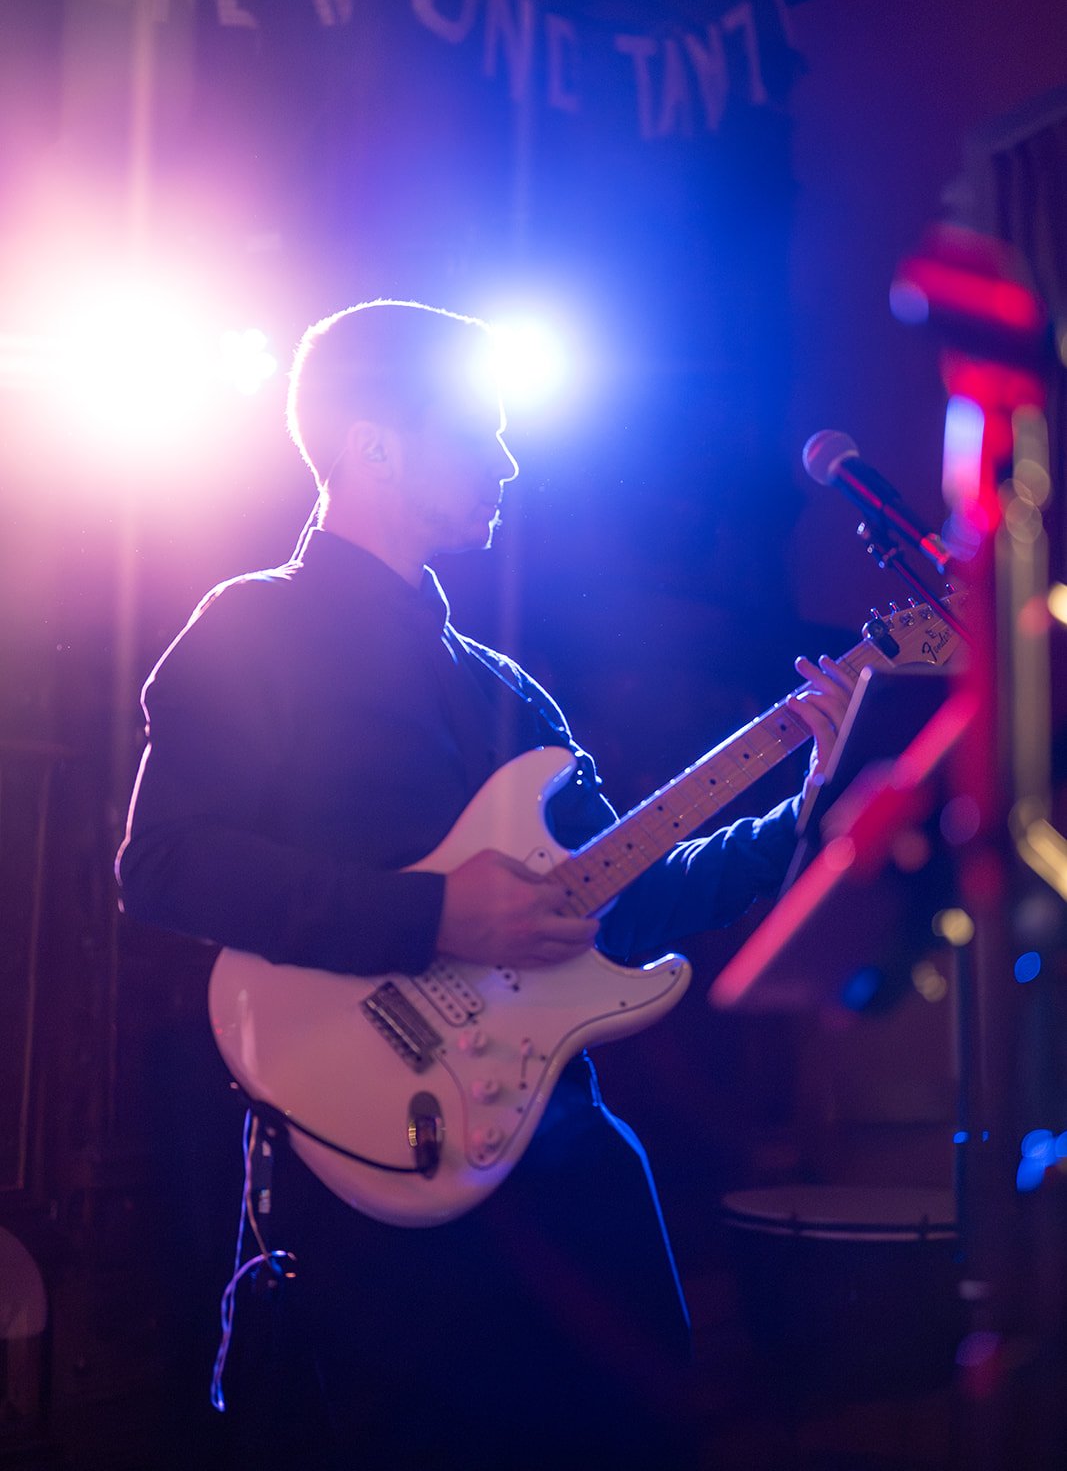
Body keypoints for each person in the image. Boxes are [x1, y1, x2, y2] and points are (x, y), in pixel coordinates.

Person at [117, 299, 852, 1471]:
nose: (508, 460)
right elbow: (163, 865)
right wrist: (431, 914)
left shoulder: (510, 690)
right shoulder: (248, 628)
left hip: (559, 1154)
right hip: (369, 1150)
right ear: (373, 444)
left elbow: (632, 901)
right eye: (480, 429)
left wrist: (803, 805)